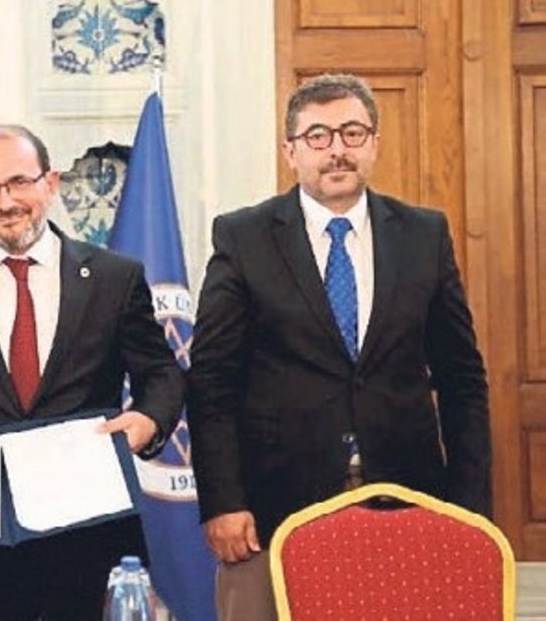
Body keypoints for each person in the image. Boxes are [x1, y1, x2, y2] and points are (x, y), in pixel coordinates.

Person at [187, 73, 491, 620]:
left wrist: (469, 505)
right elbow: (211, 382)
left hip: (407, 499)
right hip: (274, 509)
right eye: (318, 136)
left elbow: (462, 379)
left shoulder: (424, 235)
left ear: (374, 143)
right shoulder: (244, 237)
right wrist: (223, 501)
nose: (337, 151)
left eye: (352, 133)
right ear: (291, 151)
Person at [0, 124, 185, 619]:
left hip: (86, 532)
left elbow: (161, 373)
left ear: (50, 183)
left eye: (19, 182)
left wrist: (147, 420)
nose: (5, 201)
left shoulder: (115, 277)